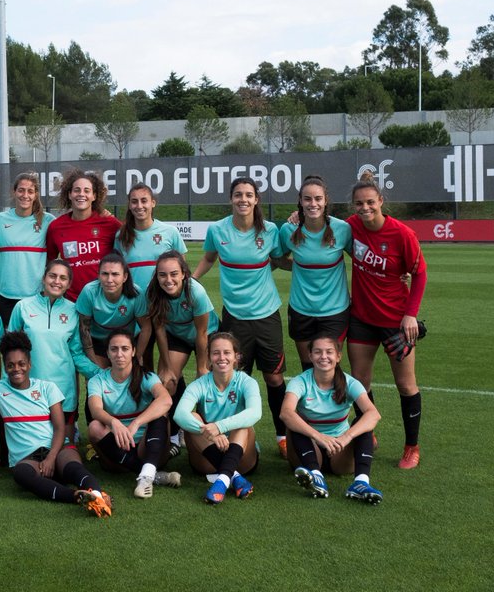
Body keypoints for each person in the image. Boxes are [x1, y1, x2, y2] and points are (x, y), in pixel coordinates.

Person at [194, 177, 292, 457]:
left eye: (249, 195)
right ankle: (241, 435)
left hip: (267, 315)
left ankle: (282, 435)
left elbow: (278, 260)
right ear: (231, 199)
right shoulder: (217, 230)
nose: (243, 200)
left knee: (274, 378)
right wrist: (191, 281)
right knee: (235, 378)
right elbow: (209, 258)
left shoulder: (270, 230)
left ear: (256, 199)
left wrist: (306, 265)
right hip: (234, 318)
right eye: (238, 195)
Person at [347, 170, 428, 470]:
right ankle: (368, 432)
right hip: (362, 318)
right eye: (359, 204)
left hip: (396, 321)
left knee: (406, 385)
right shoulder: (352, 227)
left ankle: (412, 447)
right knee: (359, 381)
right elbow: (323, 228)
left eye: (370, 202)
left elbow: (419, 273)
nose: (365, 209)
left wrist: (411, 314)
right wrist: (296, 217)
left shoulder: (402, 234)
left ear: (381, 201)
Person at [0, 331, 113, 516]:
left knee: (74, 468)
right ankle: (76, 496)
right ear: (4, 366)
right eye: (10, 365)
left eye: (21, 364)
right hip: (29, 458)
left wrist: (51, 457)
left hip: (57, 449)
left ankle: (99, 495)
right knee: (21, 475)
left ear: (30, 364)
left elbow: (60, 428)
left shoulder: (47, 388)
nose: (16, 369)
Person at [8, 258, 102, 441]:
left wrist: (100, 373)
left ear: (68, 284)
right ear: (43, 278)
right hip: (29, 386)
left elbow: (76, 353)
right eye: (52, 276)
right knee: (35, 447)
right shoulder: (23, 307)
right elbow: (9, 348)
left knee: (63, 447)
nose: (56, 281)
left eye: (63, 278)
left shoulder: (74, 311)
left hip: (63, 388)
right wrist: (7, 382)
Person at [281, 336, 383, 504]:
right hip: (308, 450)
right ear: (310, 356)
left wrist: (345, 438)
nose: (323, 356)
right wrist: (318, 436)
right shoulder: (300, 381)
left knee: (362, 422)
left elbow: (374, 414)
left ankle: (361, 483)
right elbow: (285, 413)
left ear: (338, 356)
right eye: (318, 352)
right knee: (295, 419)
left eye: (329, 352)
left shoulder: (350, 382)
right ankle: (315, 476)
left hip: (339, 452)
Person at [137, 251, 218, 457]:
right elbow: (160, 330)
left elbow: (201, 333)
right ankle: (173, 435)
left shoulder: (195, 292)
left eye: (174, 274)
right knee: (167, 381)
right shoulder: (153, 293)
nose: (168, 280)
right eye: (162, 275)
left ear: (183, 273)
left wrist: (202, 367)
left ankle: (214, 431)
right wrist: (167, 366)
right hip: (177, 335)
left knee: (210, 382)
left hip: (206, 335)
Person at [86, 331, 180, 499]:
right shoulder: (97, 380)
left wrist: (136, 423)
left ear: (134, 352)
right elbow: (95, 410)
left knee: (160, 414)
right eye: (114, 349)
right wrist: (114, 422)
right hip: (118, 450)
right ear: (107, 353)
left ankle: (147, 472)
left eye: (125, 349)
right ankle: (153, 475)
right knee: (94, 426)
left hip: (149, 447)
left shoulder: (146, 376)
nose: (119, 354)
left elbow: (166, 400)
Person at [173, 332, 261, 504]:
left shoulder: (247, 382)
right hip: (207, 458)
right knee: (193, 417)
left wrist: (219, 426)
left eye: (227, 352)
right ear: (209, 357)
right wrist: (212, 434)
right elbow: (179, 415)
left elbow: (255, 413)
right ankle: (232, 477)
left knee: (243, 424)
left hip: (242, 458)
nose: (222, 357)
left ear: (237, 356)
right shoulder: (199, 384)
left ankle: (221, 481)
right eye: (216, 353)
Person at [280, 175, 353, 371]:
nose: (313, 204)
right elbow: (277, 257)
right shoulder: (288, 230)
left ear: (326, 200)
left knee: (328, 366)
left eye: (318, 199)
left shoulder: (342, 229)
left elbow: (362, 260)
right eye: (307, 199)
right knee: (308, 367)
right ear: (300, 202)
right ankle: (310, 403)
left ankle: (338, 402)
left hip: (334, 311)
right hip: (300, 310)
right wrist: (297, 267)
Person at [0, 172, 55, 325]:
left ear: (36, 194)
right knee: (8, 344)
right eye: (21, 190)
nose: (25, 195)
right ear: (14, 192)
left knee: (35, 344)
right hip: (6, 294)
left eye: (30, 191)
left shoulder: (48, 220)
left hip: (38, 294)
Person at [45, 169, 121, 301]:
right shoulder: (56, 227)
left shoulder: (110, 223)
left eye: (87, 191)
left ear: (94, 196)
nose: (81, 194)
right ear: (69, 194)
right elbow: (49, 262)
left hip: (104, 299)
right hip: (72, 300)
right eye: (76, 190)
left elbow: (130, 244)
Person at [114, 182, 188, 296]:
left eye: (144, 201)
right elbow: (117, 271)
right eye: (134, 201)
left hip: (163, 299)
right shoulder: (121, 236)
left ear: (153, 203)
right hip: (134, 300)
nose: (139, 206)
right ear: (129, 205)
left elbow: (182, 269)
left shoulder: (170, 232)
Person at [75, 253, 145, 367]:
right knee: (96, 377)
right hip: (98, 340)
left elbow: (146, 327)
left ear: (125, 277)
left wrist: (137, 355)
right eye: (105, 274)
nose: (109, 279)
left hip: (125, 341)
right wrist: (93, 363)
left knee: (132, 377)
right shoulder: (89, 291)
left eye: (115, 274)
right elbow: (84, 328)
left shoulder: (136, 293)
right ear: (98, 275)